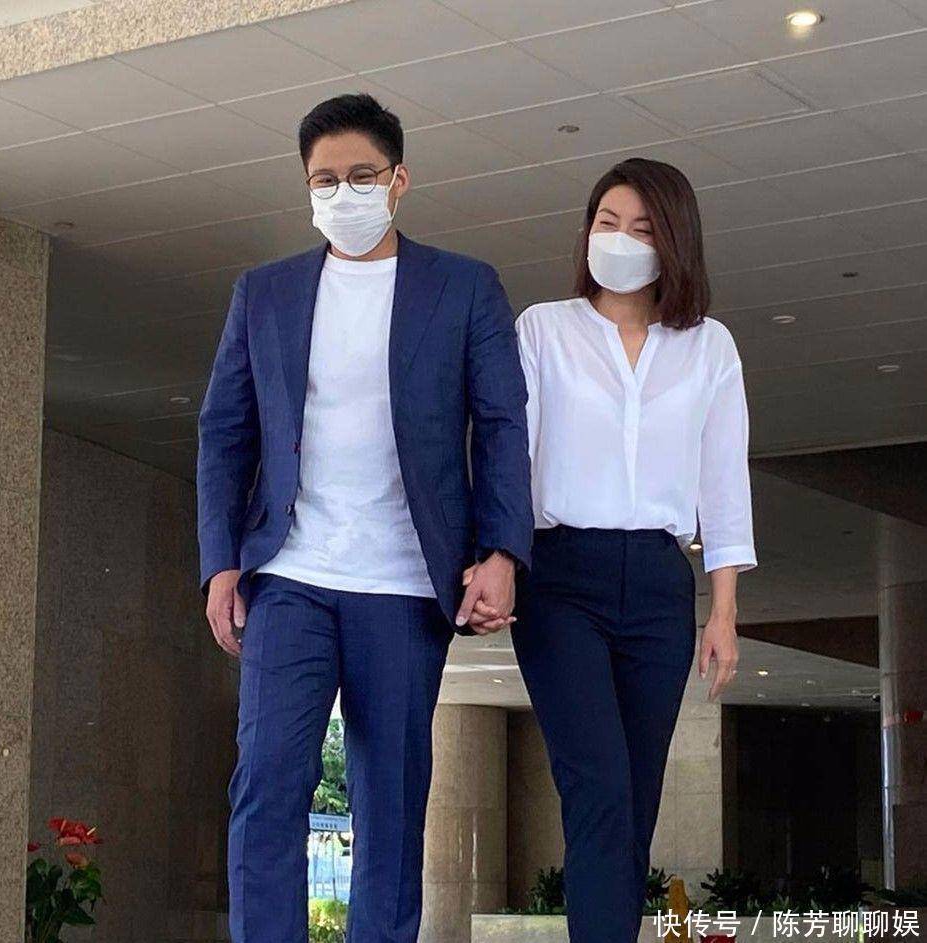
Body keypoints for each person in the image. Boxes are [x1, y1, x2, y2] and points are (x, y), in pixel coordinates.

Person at [195, 93, 533, 943]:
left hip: (402, 581)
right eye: (323, 179)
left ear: (398, 180)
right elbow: (225, 432)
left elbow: (501, 424)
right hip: (290, 576)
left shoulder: (463, 287)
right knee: (267, 783)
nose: (341, 193)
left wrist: (501, 550)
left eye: (360, 175)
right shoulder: (263, 292)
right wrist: (220, 562)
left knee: (392, 798)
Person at [490, 157, 756, 942]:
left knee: (634, 800)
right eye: (606, 221)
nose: (619, 238)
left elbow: (723, 479)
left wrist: (723, 611)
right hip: (560, 577)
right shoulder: (543, 329)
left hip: (658, 586)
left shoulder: (708, 347)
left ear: (674, 241)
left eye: (641, 227)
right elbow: (510, 456)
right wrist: (497, 556)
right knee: (598, 788)